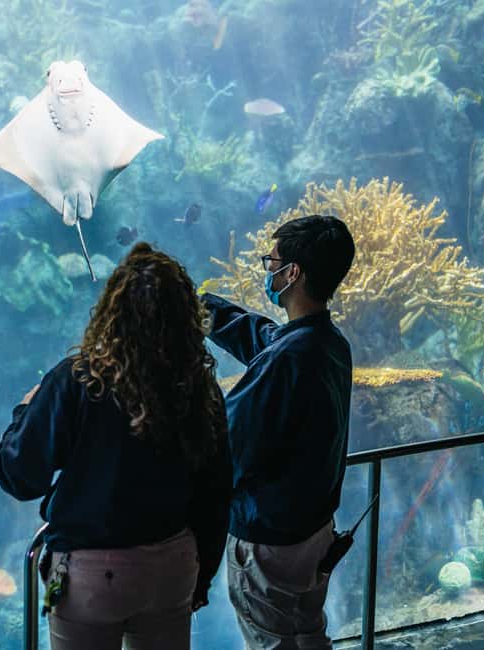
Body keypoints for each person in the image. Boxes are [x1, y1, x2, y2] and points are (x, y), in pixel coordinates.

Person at [0, 242, 232, 650]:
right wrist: (202, 574)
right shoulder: (199, 387)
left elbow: (19, 476)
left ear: (111, 311)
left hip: (90, 573)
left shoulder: (77, 380)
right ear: (186, 317)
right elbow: (217, 492)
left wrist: (24, 411)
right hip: (172, 565)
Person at [200, 215, 355, 649]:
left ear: (292, 273)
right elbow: (269, 340)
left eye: (272, 261)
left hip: (270, 543)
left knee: (273, 642)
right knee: (309, 635)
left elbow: (229, 446)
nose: (267, 269)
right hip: (314, 533)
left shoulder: (287, 359)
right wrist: (205, 309)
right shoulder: (329, 344)